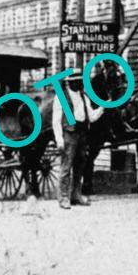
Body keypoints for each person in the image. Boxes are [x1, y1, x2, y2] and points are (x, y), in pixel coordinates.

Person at [51, 71, 104, 210]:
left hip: (82, 133)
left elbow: (91, 117)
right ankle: (63, 197)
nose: (81, 84)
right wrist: (59, 139)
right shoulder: (61, 97)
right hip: (69, 134)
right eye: (79, 81)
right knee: (66, 166)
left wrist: (103, 107)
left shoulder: (83, 96)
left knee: (80, 164)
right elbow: (56, 120)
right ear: (71, 82)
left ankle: (76, 194)